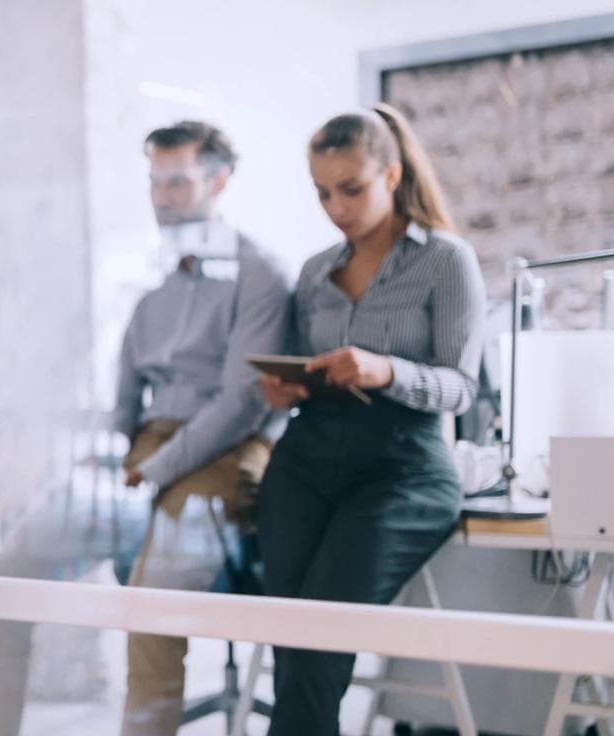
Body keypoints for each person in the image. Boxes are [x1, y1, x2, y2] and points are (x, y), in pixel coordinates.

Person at [0, 121, 291, 736]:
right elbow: (124, 398)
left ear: (219, 181)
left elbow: (242, 405)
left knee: (148, 611)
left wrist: (151, 470)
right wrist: (98, 462)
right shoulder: (155, 283)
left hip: (224, 456)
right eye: (154, 184)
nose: (162, 198)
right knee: (3, 578)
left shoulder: (259, 275)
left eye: (178, 182)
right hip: (142, 457)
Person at [257, 102, 484, 732]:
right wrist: (289, 391)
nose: (336, 207)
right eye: (323, 193)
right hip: (305, 464)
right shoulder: (313, 272)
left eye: (350, 189)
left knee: (316, 645)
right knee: (291, 641)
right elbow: (311, 372)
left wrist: (387, 370)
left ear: (391, 174)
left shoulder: (446, 260)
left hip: (402, 472)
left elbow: (462, 389)